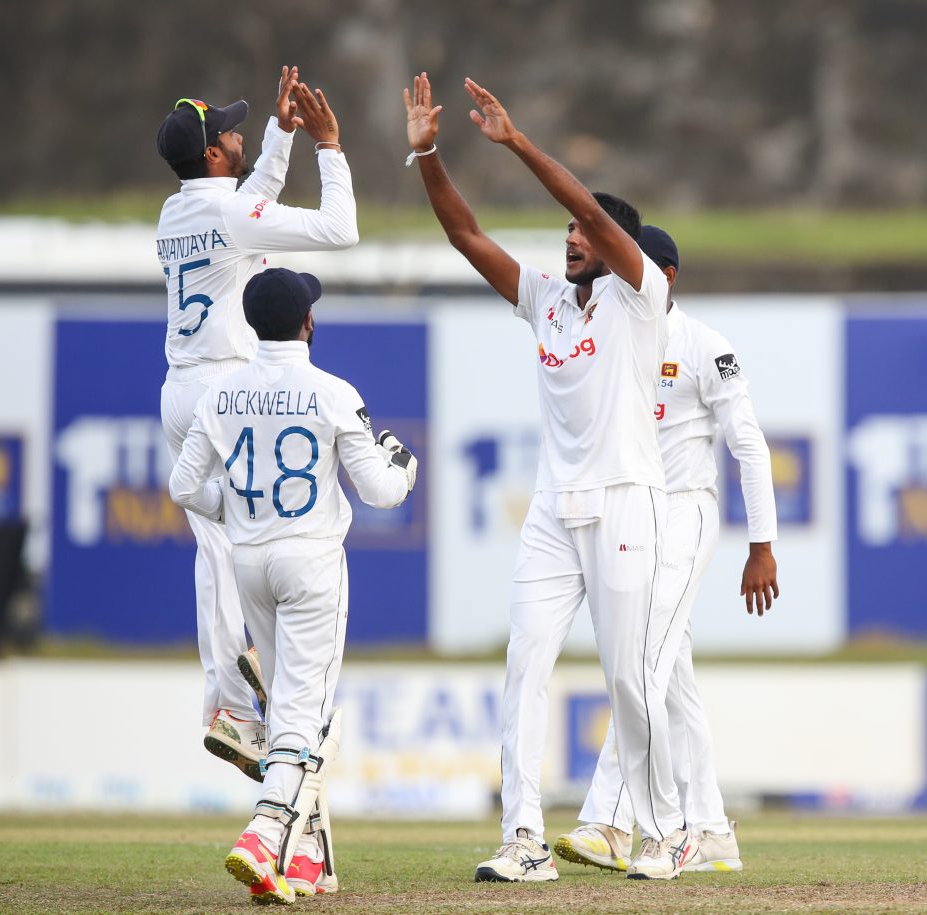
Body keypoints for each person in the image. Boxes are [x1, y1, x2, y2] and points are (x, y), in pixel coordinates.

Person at [404, 73, 689, 881]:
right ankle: (523, 838)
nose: (569, 238)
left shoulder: (644, 296)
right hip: (554, 512)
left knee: (628, 681)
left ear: (614, 247)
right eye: (564, 230)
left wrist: (519, 141)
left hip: (628, 502)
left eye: (580, 232)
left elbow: (600, 213)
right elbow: (466, 235)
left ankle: (662, 833)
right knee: (525, 663)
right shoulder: (548, 302)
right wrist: (427, 155)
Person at [168, 267, 417, 903]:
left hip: (250, 562)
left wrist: (233, 507)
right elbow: (383, 493)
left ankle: (307, 858)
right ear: (308, 323)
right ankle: (266, 829)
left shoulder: (219, 396)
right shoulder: (333, 392)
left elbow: (183, 487)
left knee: (291, 710)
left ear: (251, 324)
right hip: (311, 563)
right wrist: (404, 463)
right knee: (307, 716)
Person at [555, 226, 780, 874]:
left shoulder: (706, 346)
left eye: (640, 266)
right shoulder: (611, 338)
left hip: (685, 511)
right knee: (671, 675)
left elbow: (749, 446)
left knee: (642, 660)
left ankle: (608, 819)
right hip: (631, 512)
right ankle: (709, 827)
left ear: (668, 275)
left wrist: (761, 545)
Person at [155, 67, 359, 779]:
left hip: (181, 387)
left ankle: (230, 698)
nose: (238, 136)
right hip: (222, 386)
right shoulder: (231, 214)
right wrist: (327, 147)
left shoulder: (177, 211)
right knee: (231, 554)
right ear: (213, 156)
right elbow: (339, 227)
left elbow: (250, 201)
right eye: (231, 133)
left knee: (216, 552)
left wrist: (277, 134)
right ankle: (236, 704)